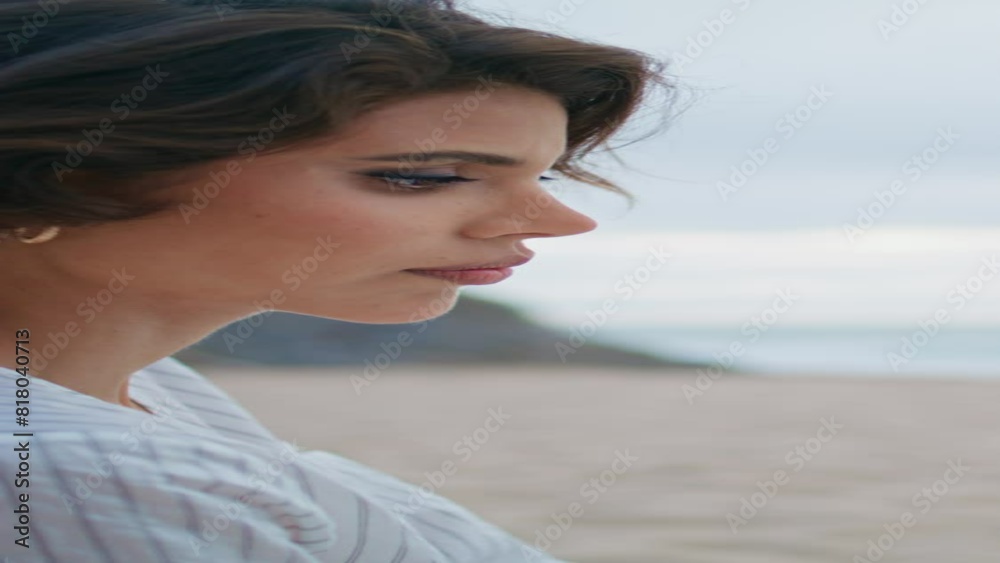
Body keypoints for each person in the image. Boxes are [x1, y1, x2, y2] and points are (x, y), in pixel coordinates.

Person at [0, 0, 675, 560]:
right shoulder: (78, 476)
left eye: (544, 175)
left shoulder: (134, 385)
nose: (560, 222)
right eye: (424, 176)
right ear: (68, 176)